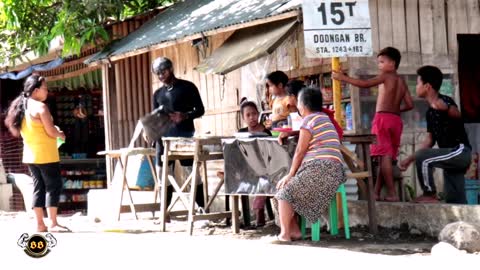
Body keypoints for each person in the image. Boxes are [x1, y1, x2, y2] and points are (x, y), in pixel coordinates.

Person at [332, 47, 414, 202]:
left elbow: (364, 84)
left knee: (384, 157)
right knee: (386, 158)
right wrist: (395, 109)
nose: (380, 65)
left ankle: (392, 194)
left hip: (383, 119)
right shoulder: (401, 81)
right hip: (396, 121)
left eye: (382, 62)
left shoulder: (385, 76)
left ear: (393, 63)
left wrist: (343, 78)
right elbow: (409, 105)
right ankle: (376, 191)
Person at [275, 87, 345, 242]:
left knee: (284, 191)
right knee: (284, 188)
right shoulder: (325, 119)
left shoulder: (308, 120)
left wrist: (291, 174)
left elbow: (300, 151)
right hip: (336, 171)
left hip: (321, 169)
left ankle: (285, 234)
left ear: (303, 106)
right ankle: (294, 232)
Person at [4, 75, 68, 232]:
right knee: (53, 186)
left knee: (38, 187)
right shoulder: (41, 107)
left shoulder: (22, 107)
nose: (47, 91)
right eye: (45, 88)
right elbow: (51, 131)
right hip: (46, 154)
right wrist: (60, 134)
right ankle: (53, 223)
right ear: (36, 90)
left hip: (30, 155)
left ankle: (40, 224)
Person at [399, 66, 471, 203]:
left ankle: (429, 193)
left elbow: (457, 114)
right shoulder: (430, 112)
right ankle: (460, 223)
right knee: (455, 200)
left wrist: (446, 108)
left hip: (459, 152)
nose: (416, 86)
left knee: (423, 157)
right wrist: (409, 159)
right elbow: (429, 141)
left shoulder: (445, 101)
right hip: (452, 157)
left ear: (427, 86)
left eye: (418, 83)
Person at [151, 57, 205, 210]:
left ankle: (201, 209)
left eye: (163, 71)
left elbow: (200, 109)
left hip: (184, 137)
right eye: (158, 73)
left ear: (170, 69)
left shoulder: (187, 87)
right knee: (163, 175)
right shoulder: (157, 94)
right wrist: (151, 133)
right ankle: (165, 213)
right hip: (163, 140)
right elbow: (156, 117)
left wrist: (185, 115)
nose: (161, 76)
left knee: (192, 173)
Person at [238, 98, 272, 227]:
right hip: (246, 168)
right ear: (243, 118)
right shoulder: (241, 133)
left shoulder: (266, 132)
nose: (252, 117)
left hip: (265, 168)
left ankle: (259, 211)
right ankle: (255, 212)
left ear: (258, 114)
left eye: (254, 114)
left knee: (261, 176)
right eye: (248, 115)